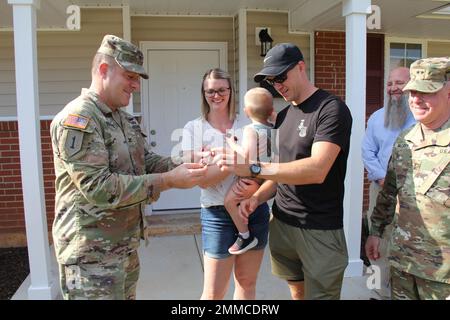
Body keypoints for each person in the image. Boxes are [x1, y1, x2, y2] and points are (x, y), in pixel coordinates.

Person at [50, 35, 207, 300]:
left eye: (138, 79)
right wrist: (168, 180)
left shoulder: (124, 119)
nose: (135, 86)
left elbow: (145, 161)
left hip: (123, 249)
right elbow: (98, 187)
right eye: (130, 76)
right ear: (103, 70)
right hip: (90, 258)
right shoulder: (79, 119)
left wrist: (186, 162)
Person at [217, 43, 353, 300]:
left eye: (281, 76)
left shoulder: (331, 109)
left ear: (301, 67)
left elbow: (317, 169)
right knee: (296, 293)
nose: (276, 84)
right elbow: (281, 173)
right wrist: (256, 198)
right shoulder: (283, 116)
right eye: (271, 80)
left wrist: (254, 167)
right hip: (282, 222)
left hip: (319, 229)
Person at [365, 57, 450, 300]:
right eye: (412, 91)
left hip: (443, 275)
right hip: (403, 264)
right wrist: (376, 232)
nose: (415, 99)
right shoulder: (406, 139)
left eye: (426, 92)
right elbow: (390, 193)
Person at [181, 68, 270, 300]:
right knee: (213, 293)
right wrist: (237, 162)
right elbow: (199, 180)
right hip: (217, 215)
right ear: (203, 93)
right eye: (210, 91)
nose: (216, 95)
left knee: (247, 283)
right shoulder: (193, 129)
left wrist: (255, 187)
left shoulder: (249, 123)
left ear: (231, 91)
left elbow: (271, 170)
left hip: (254, 210)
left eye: (221, 90)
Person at [361, 67, 416, 299]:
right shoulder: (376, 118)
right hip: (381, 191)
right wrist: (382, 177)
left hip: (413, 199)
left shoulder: (422, 117)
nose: (393, 88)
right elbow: (367, 151)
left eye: (399, 83)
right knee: (377, 246)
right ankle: (376, 291)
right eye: (390, 83)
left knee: (411, 245)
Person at [224, 87, 274, 255]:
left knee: (229, 202)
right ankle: (243, 220)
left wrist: (231, 143)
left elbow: (247, 155)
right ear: (270, 111)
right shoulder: (274, 129)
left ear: (246, 111)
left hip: (250, 177)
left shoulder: (250, 130)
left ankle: (245, 235)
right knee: (242, 205)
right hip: (265, 179)